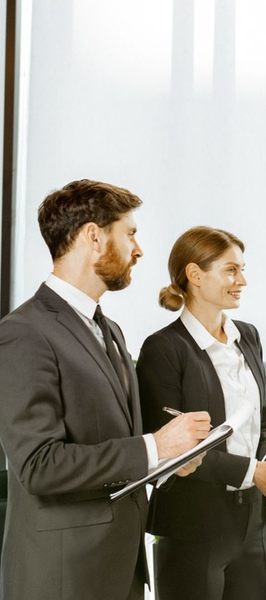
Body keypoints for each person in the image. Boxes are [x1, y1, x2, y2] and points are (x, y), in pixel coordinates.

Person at [0, 179, 211, 600]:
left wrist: (167, 462)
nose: (139, 249)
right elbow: (39, 466)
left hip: (121, 570)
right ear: (94, 237)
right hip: (64, 576)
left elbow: (112, 444)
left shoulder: (110, 329)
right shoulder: (23, 334)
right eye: (129, 233)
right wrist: (155, 448)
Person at [136, 226, 266, 600]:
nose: (242, 280)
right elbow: (170, 450)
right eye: (231, 270)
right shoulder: (163, 349)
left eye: (242, 269)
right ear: (195, 275)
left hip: (253, 521)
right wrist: (254, 472)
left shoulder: (248, 335)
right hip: (192, 524)